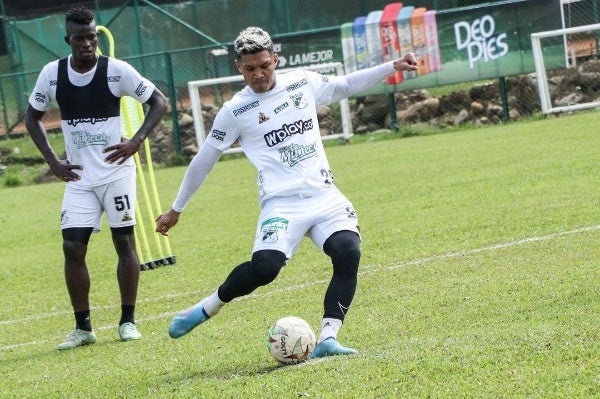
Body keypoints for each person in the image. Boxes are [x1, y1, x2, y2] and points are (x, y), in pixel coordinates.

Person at [155, 26, 418, 358]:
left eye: (264, 64)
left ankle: (327, 339)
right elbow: (204, 159)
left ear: (275, 59)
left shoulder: (302, 83)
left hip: (324, 195)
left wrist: (391, 66)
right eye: (250, 68)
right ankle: (208, 307)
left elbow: (347, 84)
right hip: (281, 204)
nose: (258, 74)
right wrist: (177, 208)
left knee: (348, 252)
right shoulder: (235, 111)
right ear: (238, 67)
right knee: (265, 268)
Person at [25, 6, 167, 350]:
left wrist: (135, 142)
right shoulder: (52, 74)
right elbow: (32, 118)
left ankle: (128, 321)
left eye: (91, 36)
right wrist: (54, 162)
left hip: (116, 174)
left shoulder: (116, 71)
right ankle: (83, 328)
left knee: (124, 243)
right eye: (79, 38)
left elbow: (159, 102)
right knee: (72, 246)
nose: (87, 43)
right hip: (78, 178)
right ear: (68, 40)